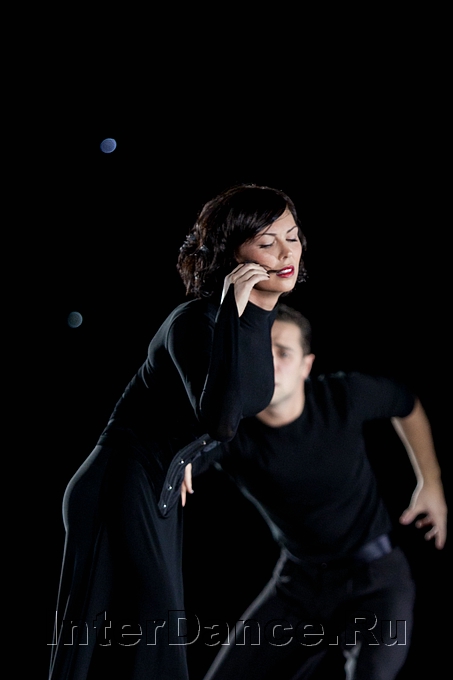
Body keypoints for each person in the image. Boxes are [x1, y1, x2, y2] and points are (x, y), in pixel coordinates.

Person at [47, 184, 308, 680]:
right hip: (117, 485)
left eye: (292, 238)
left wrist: (189, 455)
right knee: (123, 646)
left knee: (140, 648)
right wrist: (230, 308)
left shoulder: (260, 326)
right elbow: (221, 422)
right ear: (234, 255)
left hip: (156, 486)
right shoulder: (196, 321)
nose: (286, 253)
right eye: (266, 242)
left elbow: (214, 421)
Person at [186, 304, 447, 680]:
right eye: (259, 349)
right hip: (299, 586)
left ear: (306, 366)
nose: (269, 361)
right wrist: (177, 462)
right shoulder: (230, 431)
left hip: (376, 582)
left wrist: (430, 482)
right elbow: (176, 463)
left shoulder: (342, 395)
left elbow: (406, 403)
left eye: (283, 352)